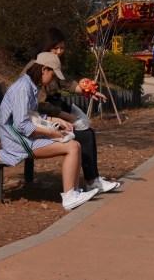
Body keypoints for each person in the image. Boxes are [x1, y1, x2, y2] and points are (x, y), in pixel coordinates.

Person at [0, 52, 98, 210]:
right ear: (44, 69)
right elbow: (21, 125)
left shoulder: (30, 85)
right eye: (52, 74)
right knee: (72, 147)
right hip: (16, 141)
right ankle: (69, 196)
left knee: (75, 144)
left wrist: (55, 120)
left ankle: (73, 192)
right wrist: (51, 133)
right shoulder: (23, 88)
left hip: (20, 136)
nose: (53, 79)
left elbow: (31, 116)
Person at [31, 27, 121, 194]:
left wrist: (89, 90)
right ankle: (86, 184)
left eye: (62, 48)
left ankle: (92, 180)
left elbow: (68, 84)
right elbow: (40, 105)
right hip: (41, 120)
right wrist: (65, 116)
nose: (59, 52)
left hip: (50, 114)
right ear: (46, 46)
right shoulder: (39, 68)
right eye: (55, 48)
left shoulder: (51, 64)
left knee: (88, 133)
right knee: (84, 137)